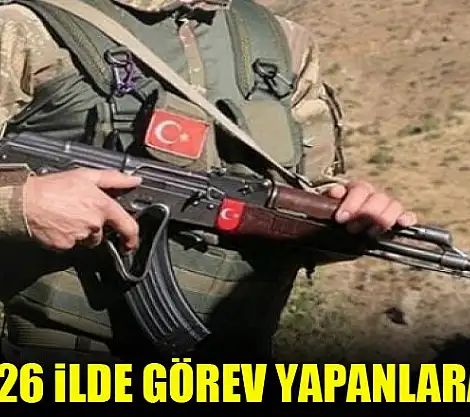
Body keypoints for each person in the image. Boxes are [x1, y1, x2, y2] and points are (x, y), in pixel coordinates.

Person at [0, 0, 417, 366]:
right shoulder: (28, 28)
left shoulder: (282, 43)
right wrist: (24, 204)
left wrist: (348, 214)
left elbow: (311, 192)